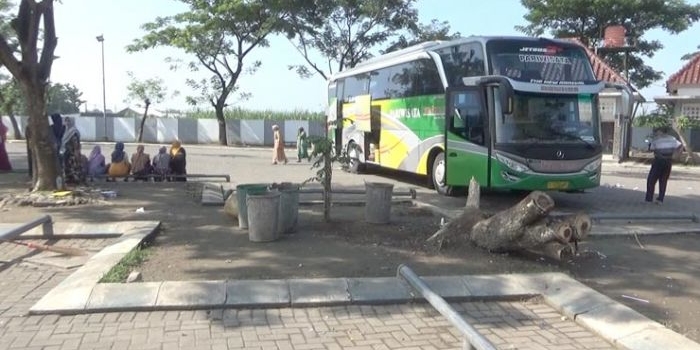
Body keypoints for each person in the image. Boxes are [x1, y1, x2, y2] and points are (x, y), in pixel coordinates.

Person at [645, 126, 682, 204]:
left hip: (658, 161)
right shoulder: (672, 139)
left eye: (657, 131)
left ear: (661, 131)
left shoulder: (656, 139)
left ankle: (649, 198)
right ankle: (660, 199)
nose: (656, 133)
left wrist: (649, 145)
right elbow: (680, 146)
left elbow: (651, 149)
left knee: (651, 180)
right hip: (668, 161)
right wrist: (676, 155)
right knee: (663, 180)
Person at [60, 116, 85, 185]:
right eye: (66, 121)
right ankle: (69, 180)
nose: (67, 123)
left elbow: (76, 143)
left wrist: (76, 152)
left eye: (68, 121)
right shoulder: (66, 131)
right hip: (67, 152)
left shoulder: (74, 132)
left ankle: (76, 180)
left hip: (73, 153)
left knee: (74, 166)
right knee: (67, 166)